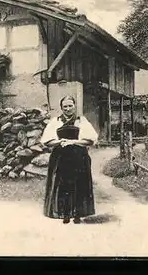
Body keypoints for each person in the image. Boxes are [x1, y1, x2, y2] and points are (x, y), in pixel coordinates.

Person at [39, 95, 98, 224]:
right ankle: (64, 214)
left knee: (79, 184)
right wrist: (60, 141)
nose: (68, 109)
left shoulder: (81, 121)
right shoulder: (56, 121)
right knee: (63, 185)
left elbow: (89, 140)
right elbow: (47, 141)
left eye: (70, 106)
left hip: (79, 157)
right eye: (65, 106)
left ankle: (77, 214)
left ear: (74, 106)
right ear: (61, 108)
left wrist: (73, 142)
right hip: (61, 158)